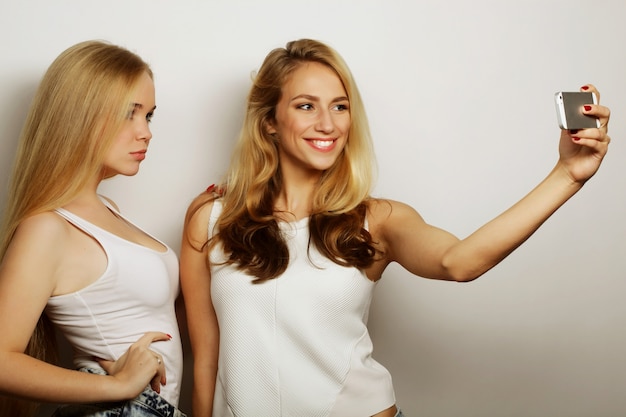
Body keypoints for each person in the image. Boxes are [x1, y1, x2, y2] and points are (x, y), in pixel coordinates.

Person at [180, 39, 611, 417]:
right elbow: (207, 359)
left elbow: (458, 262)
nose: (328, 124)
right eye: (305, 105)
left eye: (340, 106)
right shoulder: (211, 220)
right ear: (269, 120)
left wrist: (567, 175)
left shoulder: (377, 220)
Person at [0, 41, 185, 417]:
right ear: (77, 116)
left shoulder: (108, 210)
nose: (145, 132)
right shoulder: (47, 228)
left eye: (148, 116)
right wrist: (113, 385)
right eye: (127, 114)